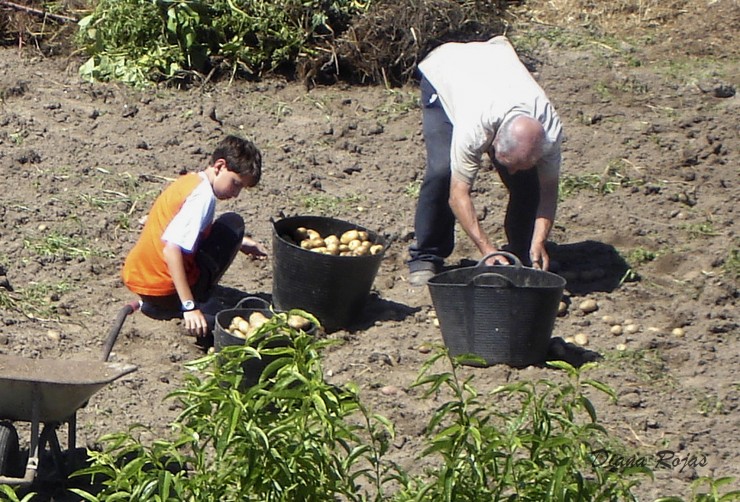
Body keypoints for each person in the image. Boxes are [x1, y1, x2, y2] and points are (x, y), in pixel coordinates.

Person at [408, 35, 564, 286]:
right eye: (506, 163)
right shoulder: (475, 127)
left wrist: (539, 240)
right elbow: (458, 195)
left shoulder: (550, 132)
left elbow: (548, 190)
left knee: (528, 181)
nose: (509, 171)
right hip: (447, 70)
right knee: (443, 171)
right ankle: (426, 255)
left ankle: (524, 252)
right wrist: (487, 249)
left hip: (494, 65)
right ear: (492, 143)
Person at [121, 134, 267, 340]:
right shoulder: (203, 198)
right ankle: (194, 298)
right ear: (220, 166)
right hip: (164, 290)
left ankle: (167, 299)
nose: (236, 194)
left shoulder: (189, 181)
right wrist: (189, 306)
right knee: (233, 225)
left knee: (230, 232)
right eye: (235, 184)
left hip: (141, 278)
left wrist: (241, 243)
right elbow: (171, 250)